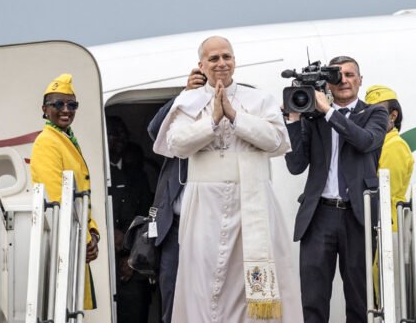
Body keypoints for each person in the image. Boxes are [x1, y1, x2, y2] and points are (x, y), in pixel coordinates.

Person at [153, 36, 303, 322]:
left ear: (234, 60)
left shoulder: (259, 100)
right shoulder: (187, 101)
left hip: (252, 203)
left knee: (248, 283)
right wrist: (211, 121)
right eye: (213, 58)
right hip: (204, 207)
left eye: (226, 57)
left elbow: (277, 141)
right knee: (203, 280)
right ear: (201, 65)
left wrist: (235, 117)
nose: (221, 63)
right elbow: (176, 144)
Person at [284, 56, 388, 323]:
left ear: (360, 80)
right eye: (337, 76)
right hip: (319, 216)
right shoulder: (314, 118)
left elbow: (365, 141)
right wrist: (294, 120)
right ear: (327, 83)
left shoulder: (375, 113)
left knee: (359, 298)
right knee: (313, 298)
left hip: (357, 215)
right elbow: (296, 166)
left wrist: (329, 111)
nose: (344, 80)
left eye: (350, 75)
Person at [30, 73, 100, 310]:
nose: (66, 110)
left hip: (75, 238)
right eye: (58, 104)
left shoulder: (64, 138)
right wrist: (87, 239)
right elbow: (57, 198)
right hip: (61, 243)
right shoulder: (46, 141)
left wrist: (93, 233)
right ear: (45, 109)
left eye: (72, 105)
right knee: (61, 309)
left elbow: (82, 197)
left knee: (73, 310)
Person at [147, 68, 205, 323]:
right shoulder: (185, 106)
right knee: (171, 293)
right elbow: (154, 130)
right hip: (175, 225)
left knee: (208, 296)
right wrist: (185, 93)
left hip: (210, 221)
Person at [365, 85, 414, 309]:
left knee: (386, 297)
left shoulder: (394, 145)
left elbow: (386, 192)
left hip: (388, 226)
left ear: (393, 116)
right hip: (379, 226)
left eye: (378, 112)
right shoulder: (379, 145)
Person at [106, 116, 153, 323]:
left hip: (133, 266)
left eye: (123, 134)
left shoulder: (138, 175)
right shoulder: (94, 171)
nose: (120, 138)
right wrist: (109, 232)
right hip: (103, 261)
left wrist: (133, 257)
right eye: (114, 133)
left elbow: (150, 217)